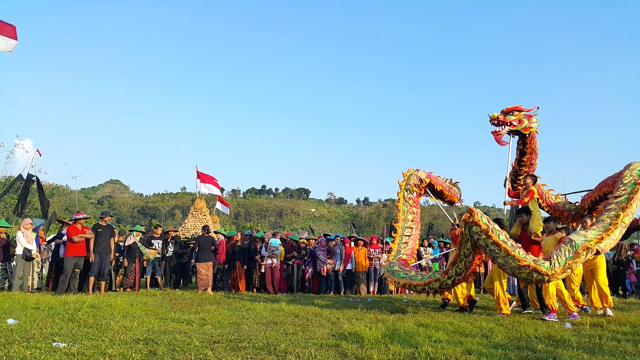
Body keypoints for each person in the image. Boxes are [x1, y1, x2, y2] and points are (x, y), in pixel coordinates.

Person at [540, 216, 580, 321]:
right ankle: (573, 312)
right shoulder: (544, 236)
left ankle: (553, 312)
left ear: (555, 224)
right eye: (545, 223)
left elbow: (563, 251)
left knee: (547, 287)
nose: (547, 225)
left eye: (549, 223)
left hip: (554, 266)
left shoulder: (560, 236)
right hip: (547, 265)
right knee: (560, 290)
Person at [510, 207, 547, 314]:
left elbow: (545, 239)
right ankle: (526, 307)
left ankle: (544, 308)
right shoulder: (520, 230)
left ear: (529, 216)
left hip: (537, 259)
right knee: (521, 284)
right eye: (518, 217)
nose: (520, 219)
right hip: (525, 259)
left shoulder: (537, 228)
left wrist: (533, 238)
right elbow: (520, 240)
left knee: (538, 286)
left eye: (522, 216)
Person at [580, 214, 614, 316]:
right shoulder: (580, 235)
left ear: (592, 222)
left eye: (585, 222)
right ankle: (598, 306)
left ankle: (607, 306)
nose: (583, 225)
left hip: (598, 260)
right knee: (591, 286)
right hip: (586, 263)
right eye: (582, 223)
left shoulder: (598, 232)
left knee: (600, 281)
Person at [56, 212, 94, 295]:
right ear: (76, 220)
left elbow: (92, 236)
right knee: (66, 273)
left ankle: (73, 291)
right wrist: (85, 235)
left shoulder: (85, 228)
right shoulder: (70, 228)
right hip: (70, 254)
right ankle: (60, 292)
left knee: (76, 274)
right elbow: (75, 239)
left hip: (81, 254)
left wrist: (80, 235)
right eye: (82, 218)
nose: (84, 220)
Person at [482, 218, 513, 317]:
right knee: (488, 285)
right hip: (497, 264)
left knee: (498, 286)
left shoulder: (502, 235)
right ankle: (507, 299)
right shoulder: (497, 235)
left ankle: (503, 311)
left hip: (501, 264)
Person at [505, 174, 543, 241]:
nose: (524, 179)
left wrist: (510, 203)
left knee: (534, 231)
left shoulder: (532, 190)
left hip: (534, 213)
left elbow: (525, 200)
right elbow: (511, 194)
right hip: (524, 213)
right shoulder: (523, 191)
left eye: (526, 178)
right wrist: (508, 184)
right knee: (513, 233)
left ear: (532, 181)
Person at [88, 210, 116, 294]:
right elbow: (92, 240)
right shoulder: (96, 226)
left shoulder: (110, 228)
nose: (109, 218)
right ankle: (90, 291)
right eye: (108, 216)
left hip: (107, 252)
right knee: (93, 271)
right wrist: (91, 253)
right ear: (103, 217)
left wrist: (112, 253)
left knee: (105, 271)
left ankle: (102, 291)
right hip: (97, 252)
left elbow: (112, 241)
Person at [45, 219, 71, 292]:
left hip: (66, 256)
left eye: (67, 225)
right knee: (55, 273)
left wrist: (62, 242)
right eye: (65, 225)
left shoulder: (70, 235)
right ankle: (54, 288)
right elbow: (50, 240)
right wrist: (45, 243)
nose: (65, 226)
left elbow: (71, 244)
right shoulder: (59, 234)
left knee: (64, 273)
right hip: (57, 256)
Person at [13, 218, 37, 292]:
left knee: (27, 273)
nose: (29, 226)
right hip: (20, 254)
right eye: (28, 224)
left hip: (28, 255)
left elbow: (33, 243)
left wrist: (34, 252)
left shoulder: (31, 234)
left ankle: (25, 290)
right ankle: (15, 289)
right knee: (18, 273)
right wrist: (34, 248)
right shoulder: (20, 233)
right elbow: (23, 243)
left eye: (30, 224)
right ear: (23, 224)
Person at [193, 225, 218, 294]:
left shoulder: (199, 238)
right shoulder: (212, 238)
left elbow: (195, 247)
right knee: (209, 275)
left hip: (200, 258)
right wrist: (212, 250)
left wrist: (197, 250)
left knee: (200, 275)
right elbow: (217, 247)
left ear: (203, 231)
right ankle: (209, 289)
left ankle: (200, 289)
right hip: (208, 258)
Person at [122, 226, 145, 292]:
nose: (138, 233)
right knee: (128, 273)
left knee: (138, 274)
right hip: (130, 259)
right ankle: (126, 287)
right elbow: (125, 250)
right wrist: (125, 259)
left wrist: (155, 249)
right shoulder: (129, 239)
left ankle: (136, 288)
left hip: (139, 259)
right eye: (137, 232)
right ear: (133, 232)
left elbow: (146, 248)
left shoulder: (142, 240)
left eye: (139, 232)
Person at [143, 224, 164, 290]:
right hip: (150, 258)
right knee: (148, 273)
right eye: (159, 230)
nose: (160, 231)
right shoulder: (149, 238)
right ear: (155, 230)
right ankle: (148, 287)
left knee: (158, 274)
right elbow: (146, 248)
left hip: (158, 258)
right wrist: (145, 259)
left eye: (161, 230)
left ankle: (161, 287)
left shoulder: (162, 238)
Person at [0, 218, 13, 291]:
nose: (3, 229)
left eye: (4, 228)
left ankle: (8, 287)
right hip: (0, 257)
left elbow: (8, 244)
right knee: (1, 273)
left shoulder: (7, 235)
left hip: (7, 257)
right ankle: (1, 287)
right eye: (1, 227)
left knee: (8, 272)